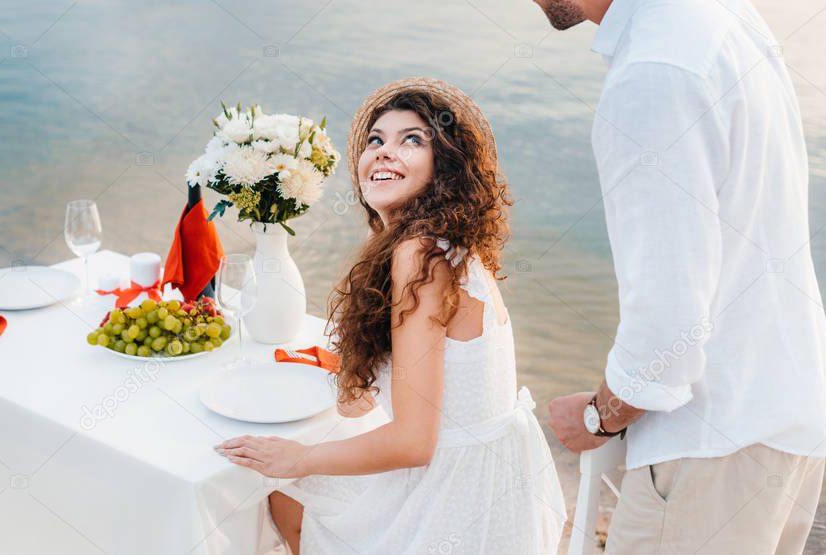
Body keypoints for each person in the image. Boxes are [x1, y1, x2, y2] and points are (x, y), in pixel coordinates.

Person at [471, 0, 826, 552]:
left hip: (714, 445)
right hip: (790, 410)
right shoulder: (718, 4)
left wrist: (597, 414)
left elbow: (669, 323)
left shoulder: (649, 75)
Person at [215, 77, 566, 554]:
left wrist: (303, 458)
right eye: (376, 140)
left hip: (451, 494)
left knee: (280, 492)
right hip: (487, 478)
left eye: (411, 140)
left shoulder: (420, 256)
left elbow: (413, 444)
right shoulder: (446, 247)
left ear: (445, 167)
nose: (383, 151)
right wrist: (356, 363)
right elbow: (358, 405)